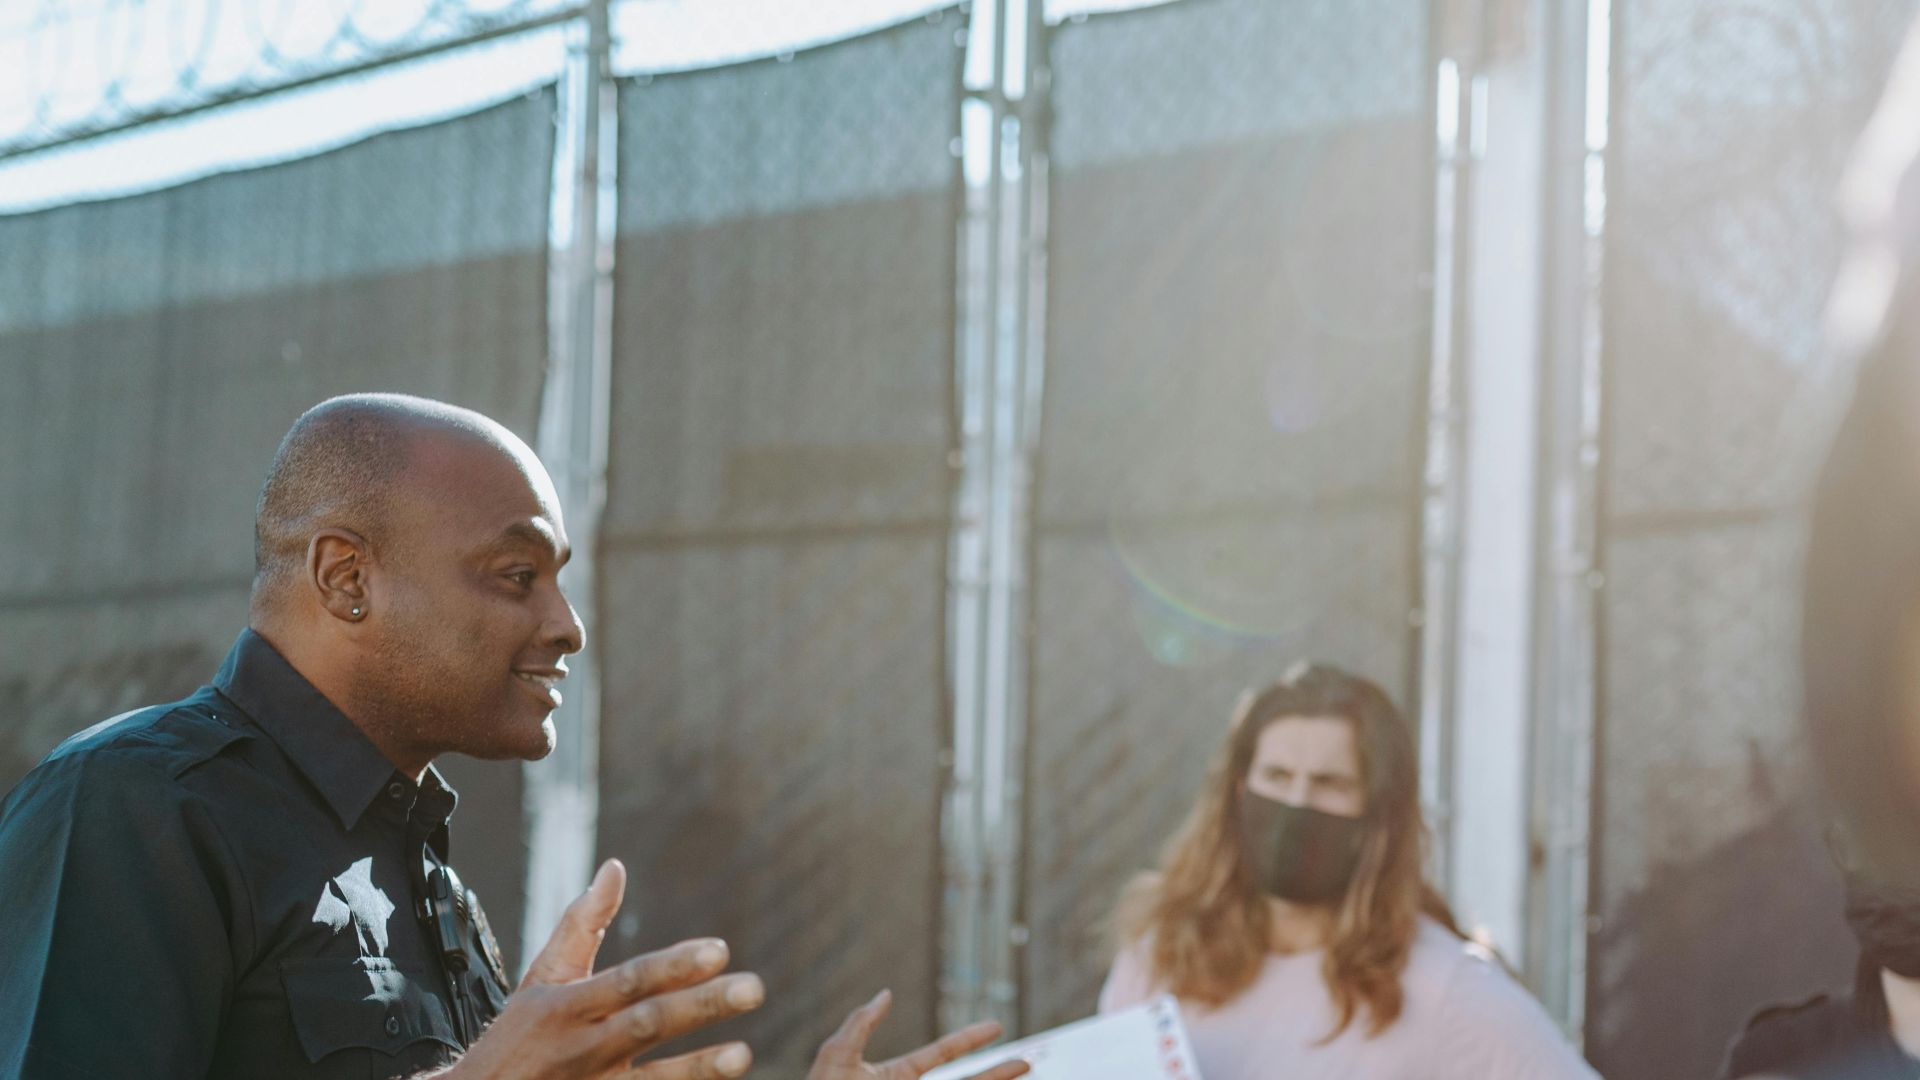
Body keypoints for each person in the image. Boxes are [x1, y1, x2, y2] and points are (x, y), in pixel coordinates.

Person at [0, 393, 1028, 1080]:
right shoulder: (131, 808)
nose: (565, 625)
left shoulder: (417, 865)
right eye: (515, 577)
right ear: (347, 579)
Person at [1097, 663, 1597, 1079]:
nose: (1296, 803)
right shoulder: (1160, 959)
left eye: (1329, 783)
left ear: (1378, 815)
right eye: (1277, 776)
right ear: (1238, 790)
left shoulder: (1447, 990)